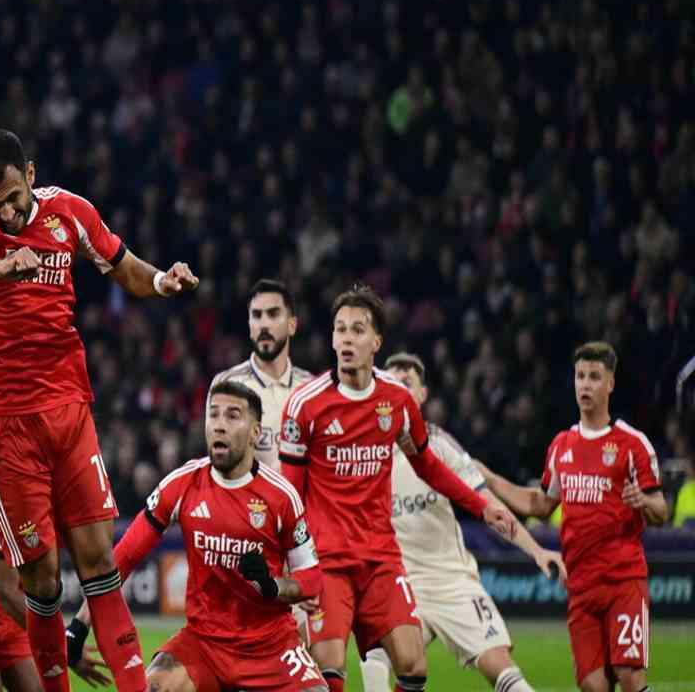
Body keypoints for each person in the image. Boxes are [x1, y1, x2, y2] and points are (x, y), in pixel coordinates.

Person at [0, 128, 198, 691]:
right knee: (43, 576)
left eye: (11, 197)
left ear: (30, 175)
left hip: (69, 408)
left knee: (99, 561)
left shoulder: (69, 212)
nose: (4, 211)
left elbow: (122, 265)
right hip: (5, 423)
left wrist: (160, 279)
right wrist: (1, 266)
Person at [278, 284, 517, 692]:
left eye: (357, 330)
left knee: (413, 664)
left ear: (377, 341)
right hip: (328, 560)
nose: (347, 339)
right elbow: (288, 495)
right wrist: (292, 570)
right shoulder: (306, 405)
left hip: (380, 559)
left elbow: (428, 466)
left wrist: (481, 506)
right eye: (340, 329)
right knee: (328, 670)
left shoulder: (397, 400)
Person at [68, 381, 328, 691]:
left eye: (232, 416)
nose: (219, 425)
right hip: (204, 643)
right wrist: (78, 626)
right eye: (213, 415)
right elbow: (123, 558)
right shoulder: (183, 484)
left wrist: (274, 586)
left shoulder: (281, 496)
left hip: (270, 644)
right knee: (154, 687)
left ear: (255, 432)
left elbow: (311, 579)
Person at [359, 353, 564, 692]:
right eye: (391, 384)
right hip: (401, 584)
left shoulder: (438, 446)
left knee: (499, 665)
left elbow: (490, 506)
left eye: (406, 384)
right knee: (378, 656)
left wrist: (537, 551)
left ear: (422, 395)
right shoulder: (366, 453)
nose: (398, 391)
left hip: (452, 580)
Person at [476, 342, 667, 692]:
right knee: (593, 686)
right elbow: (540, 504)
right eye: (580, 376)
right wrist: (489, 478)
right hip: (580, 585)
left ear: (610, 383)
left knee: (629, 675)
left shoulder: (632, 444)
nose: (585, 385)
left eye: (595, 377)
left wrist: (643, 501)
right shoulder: (562, 445)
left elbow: (661, 509)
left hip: (623, 580)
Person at [0, 501, 109, 692]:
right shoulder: (3, 504)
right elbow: (7, 593)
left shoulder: (52, 509)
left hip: (9, 606)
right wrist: (64, 646)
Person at [210, 278, 313, 469]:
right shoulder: (228, 385)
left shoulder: (311, 388)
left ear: (292, 325)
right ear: (249, 326)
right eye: (257, 315)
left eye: (273, 314)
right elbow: (220, 465)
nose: (264, 324)